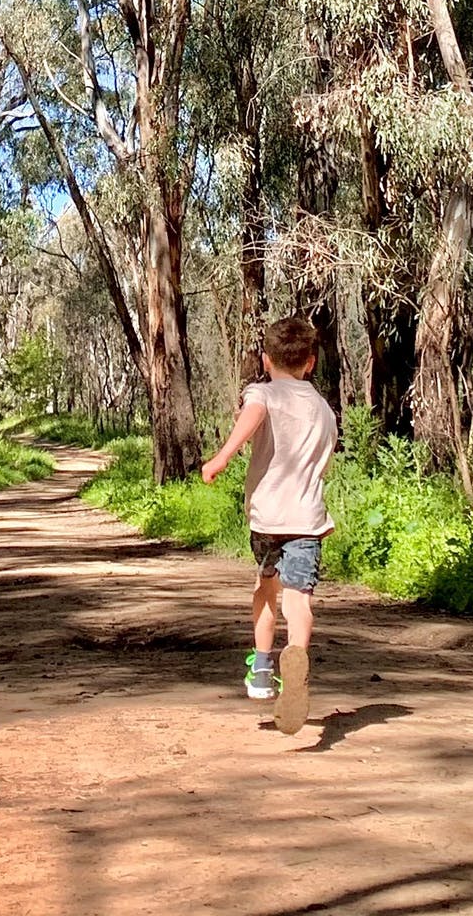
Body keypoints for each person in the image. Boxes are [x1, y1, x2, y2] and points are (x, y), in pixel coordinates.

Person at [200, 315, 337, 734]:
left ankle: (261, 669)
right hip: (307, 520)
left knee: (265, 589)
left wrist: (223, 457)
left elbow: (254, 412)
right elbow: (324, 462)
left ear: (266, 358)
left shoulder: (262, 391)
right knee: (299, 601)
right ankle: (295, 656)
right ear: (310, 363)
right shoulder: (324, 410)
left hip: (268, 519)